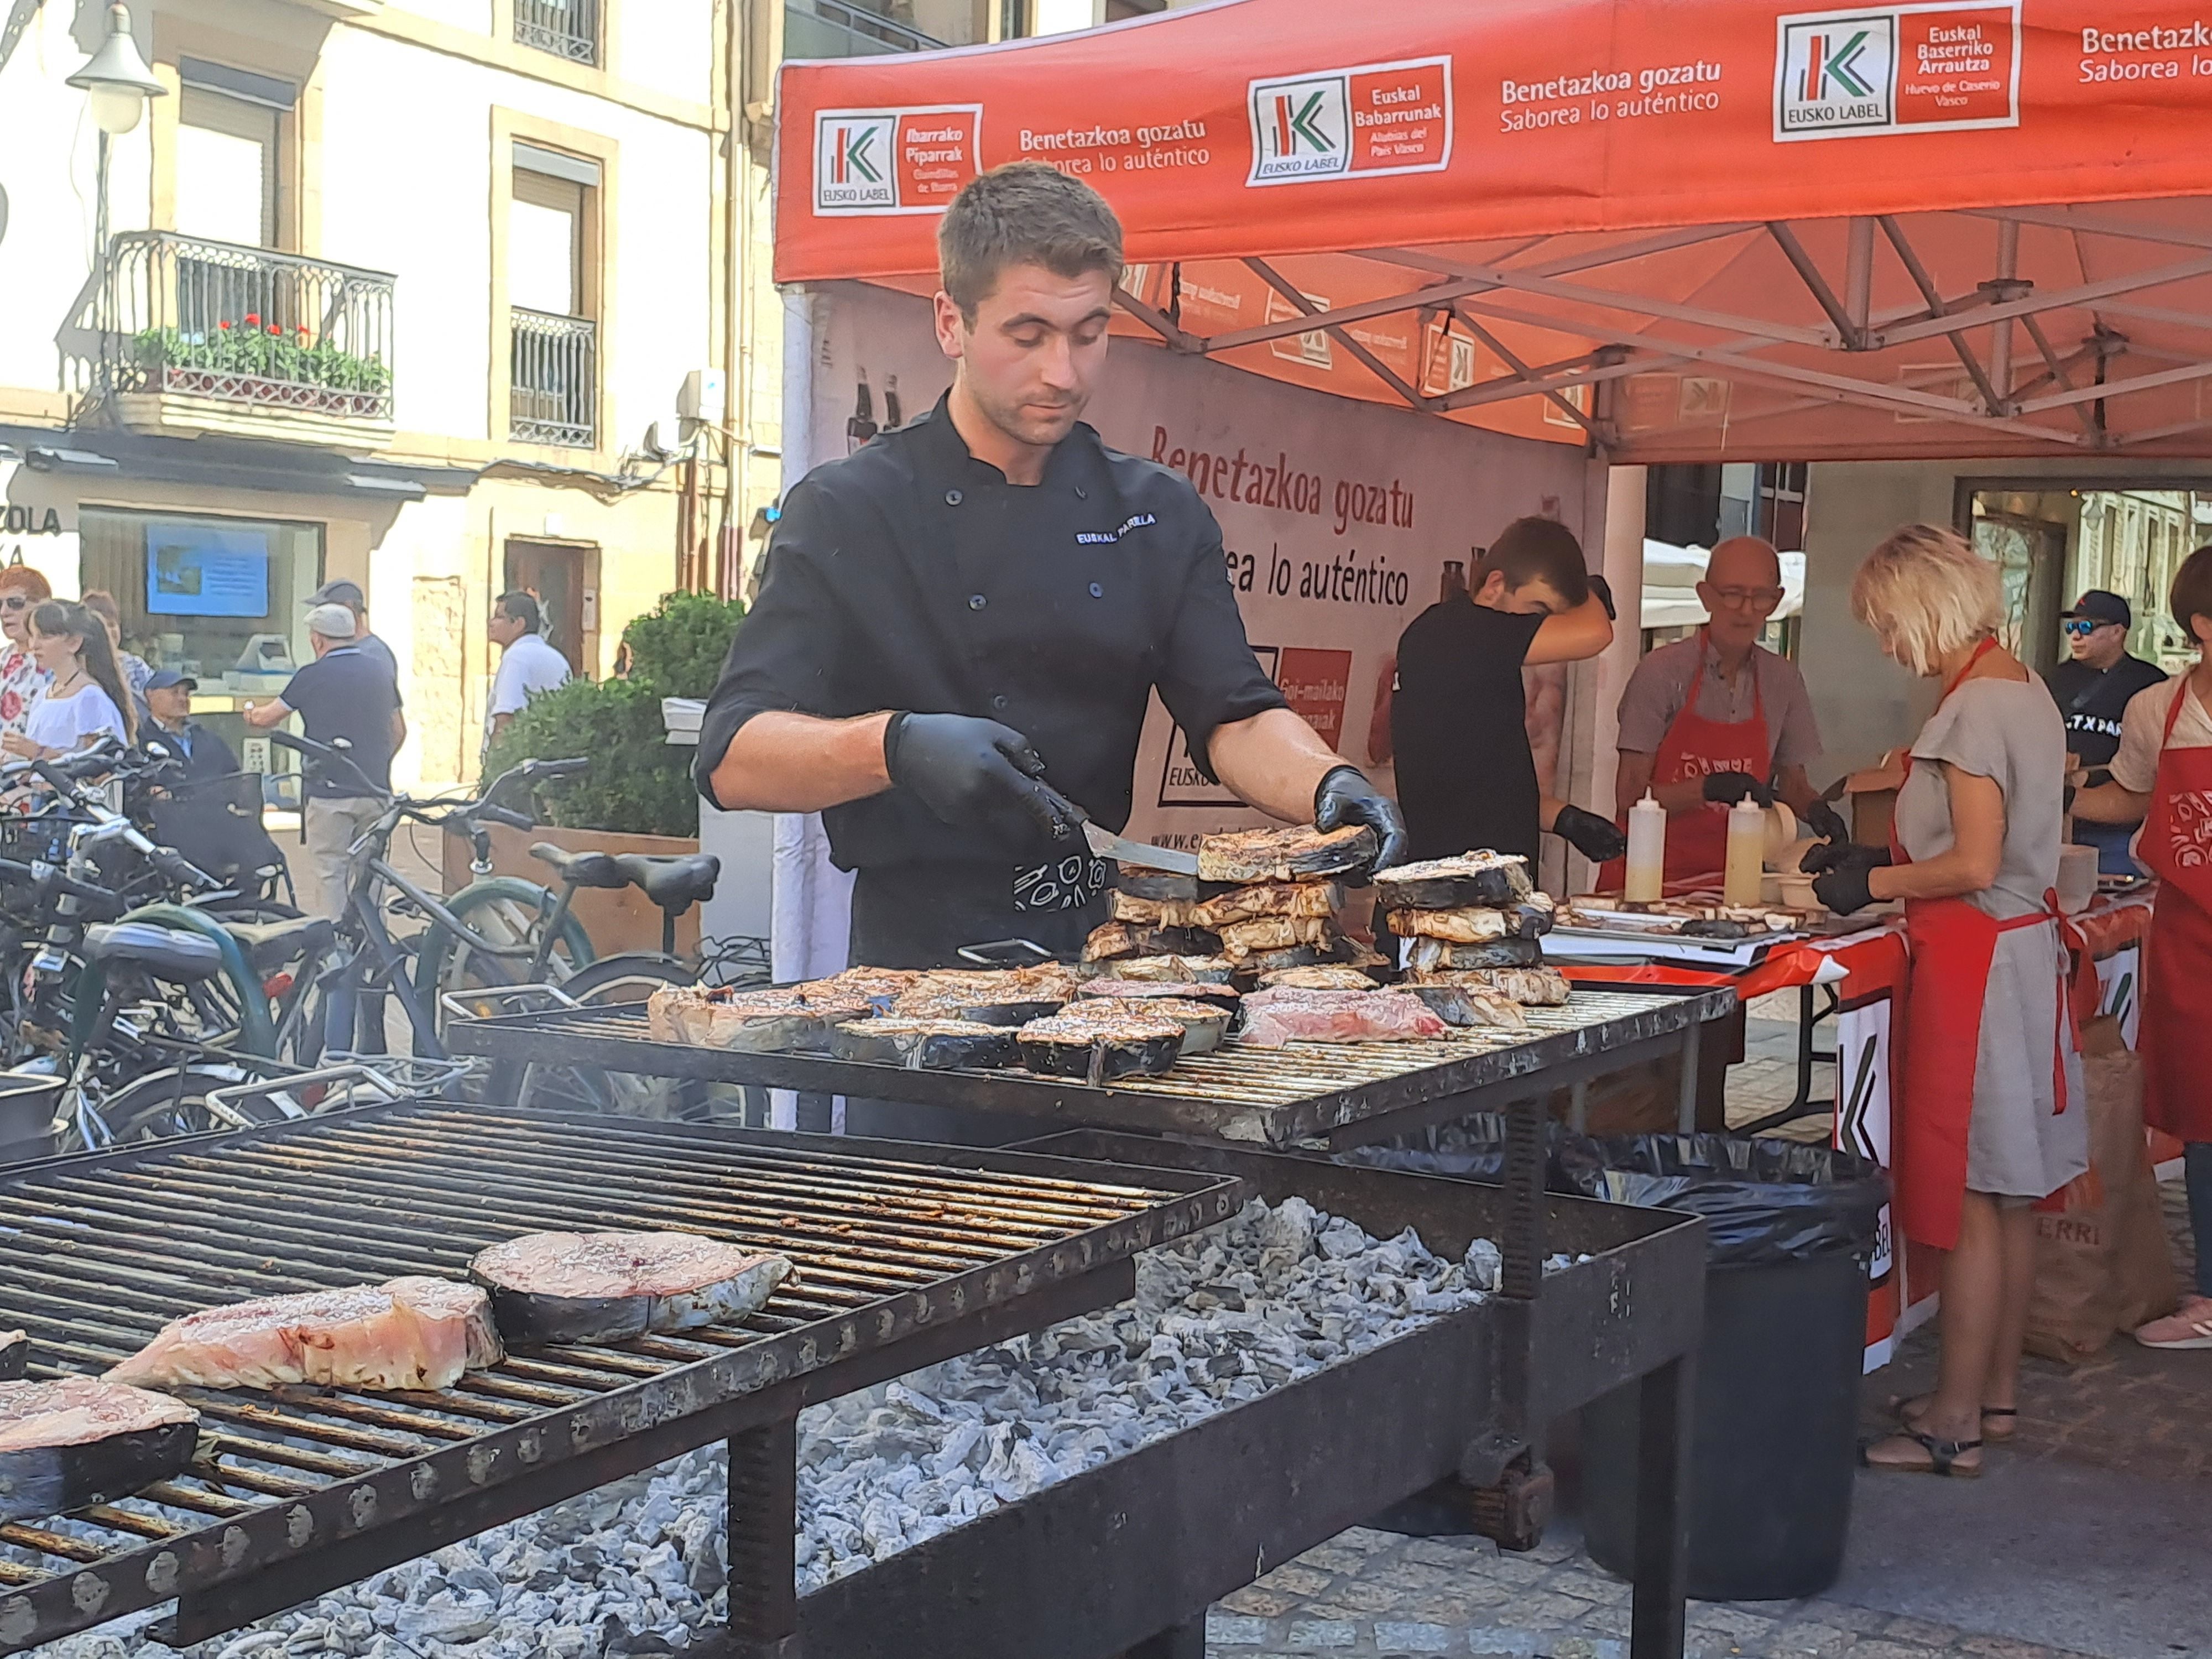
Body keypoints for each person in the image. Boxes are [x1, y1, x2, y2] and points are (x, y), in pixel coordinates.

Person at [694, 163, 1405, 969]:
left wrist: (1328, 785)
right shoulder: (851, 509)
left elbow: (1232, 713)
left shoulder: (1156, 511)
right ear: (951, 323)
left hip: (1101, 946)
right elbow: (732, 754)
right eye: (1027, 336)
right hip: (915, 963)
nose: (1062, 373)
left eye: (1089, 333)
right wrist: (896, 747)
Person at [1810, 524, 2087, 1475]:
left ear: (1922, 609)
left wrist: (1872, 884)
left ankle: (1954, 1423)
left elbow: (1971, 862)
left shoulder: (1969, 714)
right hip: (2021, 955)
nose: (1888, 647)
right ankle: (1991, 1396)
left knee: (1972, 1195)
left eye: (1888, 626)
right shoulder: (2027, 687)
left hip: (1980, 965)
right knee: (2010, 1196)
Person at [2071, 548, 2212, 1348]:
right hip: (2194, 938)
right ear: (2203, 627)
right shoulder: (2160, 709)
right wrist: (2050, 791)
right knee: (2204, 1114)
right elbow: (2129, 795)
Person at [1387, 518, 1624, 869]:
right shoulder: (1460, 633)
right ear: (1495, 584)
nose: (1544, 628)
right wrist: (1589, 592)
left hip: (1488, 888)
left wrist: (1564, 819)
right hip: (1450, 897)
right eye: (1539, 612)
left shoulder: (1479, 657)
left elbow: (1482, 783)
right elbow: (1596, 632)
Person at [1612, 535, 1843, 882]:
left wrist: (1819, 813)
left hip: (1734, 884)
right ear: (1705, 595)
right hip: (1643, 879)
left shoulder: (1784, 680)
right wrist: (1707, 789)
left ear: (1777, 600)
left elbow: (1793, 784)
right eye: (1733, 594)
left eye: (1761, 597)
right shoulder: (1660, 673)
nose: (1747, 610)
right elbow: (1629, 794)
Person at [244, 603, 406, 918]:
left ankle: (334, 951)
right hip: (374, 789)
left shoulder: (313, 675)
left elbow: (268, 718)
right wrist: (376, 763)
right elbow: (398, 730)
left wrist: (251, 713)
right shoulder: (379, 672)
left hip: (329, 793)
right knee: (372, 872)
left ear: (318, 640)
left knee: (331, 872)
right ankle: (375, 946)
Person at [2043, 589, 2166, 875]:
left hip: (2122, 828)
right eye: (2071, 627)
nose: (2075, 636)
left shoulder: (2150, 685)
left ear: (2117, 632)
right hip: (2058, 821)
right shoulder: (2054, 679)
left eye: (2086, 627)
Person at [139, 669, 286, 886]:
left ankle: (244, 901)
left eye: (186, 694)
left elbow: (234, 776)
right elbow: (137, 783)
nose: (183, 699)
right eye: (175, 692)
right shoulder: (141, 740)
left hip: (216, 818)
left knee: (261, 849)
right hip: (175, 827)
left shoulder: (207, 738)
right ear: (151, 695)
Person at [0, 601, 133, 760]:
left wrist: (39, 753)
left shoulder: (89, 698)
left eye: (45, 636)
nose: (34, 645)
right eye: (33, 636)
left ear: (74, 643)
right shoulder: (42, 696)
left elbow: (106, 765)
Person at [486, 591, 572, 749]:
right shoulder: (557, 657)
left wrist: (496, 765)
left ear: (519, 624)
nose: (491, 623)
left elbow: (506, 719)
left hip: (521, 762)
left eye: (499, 617)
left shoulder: (516, 657)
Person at [304, 578, 399, 683]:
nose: (321, 616)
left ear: (348, 608)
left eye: (327, 610)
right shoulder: (357, 649)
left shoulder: (374, 654)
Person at [0, 565, 53, 738]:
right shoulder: (2, 658)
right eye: (0, 604)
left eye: (15, 603)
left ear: (43, 605)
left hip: (38, 763)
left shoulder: (58, 659)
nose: (4, 612)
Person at [79, 589, 154, 703]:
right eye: (103, 626)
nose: (110, 631)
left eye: (112, 625)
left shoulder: (136, 666)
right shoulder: (77, 667)